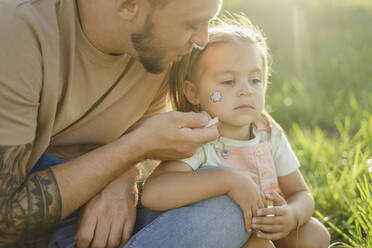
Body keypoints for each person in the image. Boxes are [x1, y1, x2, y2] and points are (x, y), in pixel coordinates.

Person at [0, 0, 222, 247]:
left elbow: (146, 129)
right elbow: (4, 220)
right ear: (128, 5)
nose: (202, 39)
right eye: (192, 24)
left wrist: (125, 172)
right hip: (24, 223)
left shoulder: (163, 51)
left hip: (88, 218)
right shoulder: (16, 30)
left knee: (227, 211)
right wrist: (135, 148)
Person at [140, 15, 331, 248]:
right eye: (229, 81)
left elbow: (301, 193)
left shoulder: (268, 135)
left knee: (315, 235)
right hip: (219, 232)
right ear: (193, 93)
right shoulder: (198, 139)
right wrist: (225, 179)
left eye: (255, 80)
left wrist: (290, 215)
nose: (245, 91)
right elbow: (153, 194)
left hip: (264, 224)